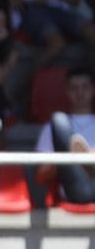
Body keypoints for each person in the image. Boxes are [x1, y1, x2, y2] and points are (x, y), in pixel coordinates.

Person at [36, 66, 95, 204]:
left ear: (93, 89)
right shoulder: (51, 128)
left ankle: (88, 160)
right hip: (79, 191)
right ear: (67, 91)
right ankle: (82, 161)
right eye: (74, 88)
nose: (80, 92)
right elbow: (40, 176)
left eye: (85, 87)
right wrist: (63, 158)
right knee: (59, 119)